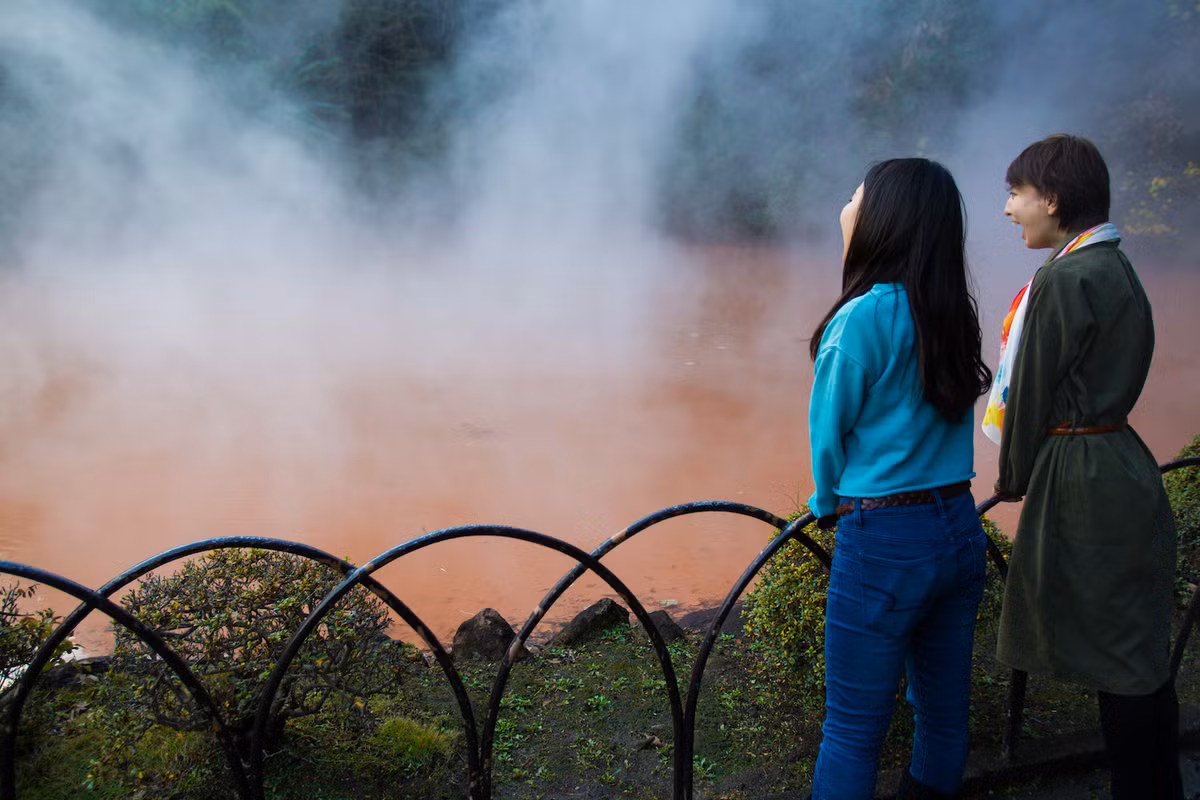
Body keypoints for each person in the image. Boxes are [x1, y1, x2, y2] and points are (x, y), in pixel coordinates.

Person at [989, 133, 1182, 799]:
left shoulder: (1064, 278)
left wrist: (1012, 478)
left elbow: (1029, 393)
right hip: (1123, 458)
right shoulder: (1117, 266)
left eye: (1016, 193)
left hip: (1082, 473)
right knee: (1137, 652)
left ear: (1051, 198)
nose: (1008, 208)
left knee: (1120, 663)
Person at [807, 158, 993, 800]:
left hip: (883, 539)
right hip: (959, 527)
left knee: (852, 730)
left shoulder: (860, 319)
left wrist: (824, 503)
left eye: (855, 197)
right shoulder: (952, 313)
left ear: (881, 219)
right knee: (942, 714)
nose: (846, 207)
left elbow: (827, 438)